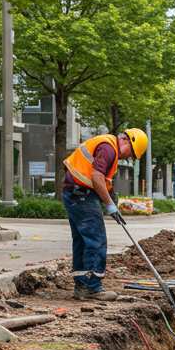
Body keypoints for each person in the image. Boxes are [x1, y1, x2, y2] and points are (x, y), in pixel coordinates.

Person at [61, 127, 148, 300]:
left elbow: (104, 181)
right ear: (127, 141)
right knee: (96, 240)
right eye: (131, 153)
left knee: (82, 241)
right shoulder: (108, 148)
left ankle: (81, 286)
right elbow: (96, 177)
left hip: (75, 193)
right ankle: (93, 287)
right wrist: (109, 205)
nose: (128, 158)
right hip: (82, 195)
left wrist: (112, 199)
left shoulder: (109, 148)